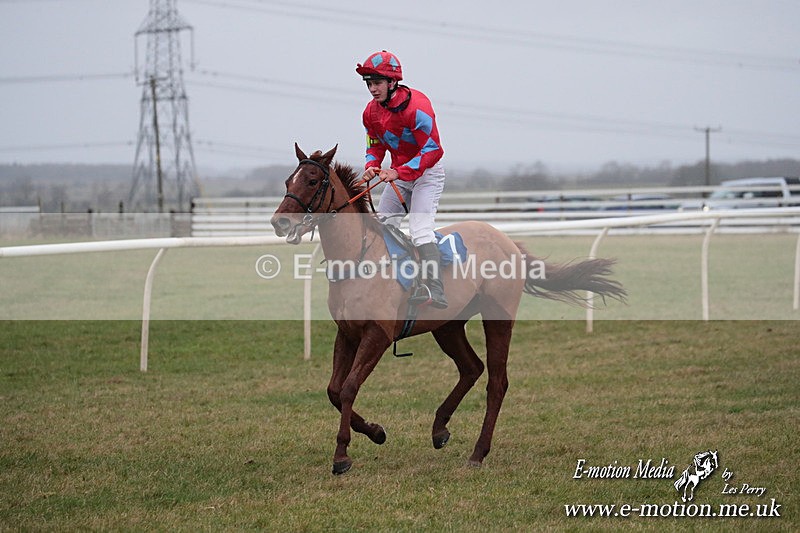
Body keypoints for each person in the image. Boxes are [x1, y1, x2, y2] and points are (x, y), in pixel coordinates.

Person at [356, 50, 448, 309]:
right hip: (399, 175)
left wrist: (398, 172)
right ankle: (388, 283)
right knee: (382, 227)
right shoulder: (370, 112)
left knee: (420, 231)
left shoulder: (418, 107)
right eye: (369, 84)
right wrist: (372, 165)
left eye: (377, 83)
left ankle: (435, 290)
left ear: (392, 81)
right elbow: (374, 144)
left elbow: (433, 150)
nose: (372, 89)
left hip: (427, 174)